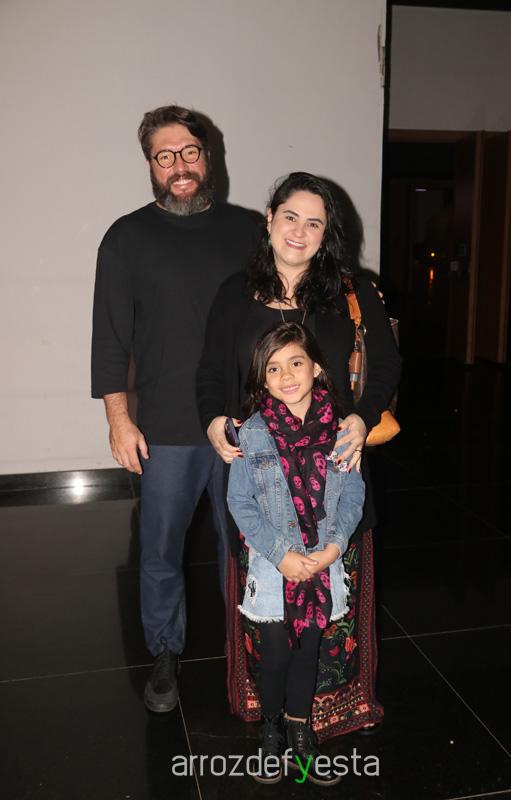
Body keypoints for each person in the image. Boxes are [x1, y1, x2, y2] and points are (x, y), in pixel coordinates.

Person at [197, 171, 401, 739]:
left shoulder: (351, 292)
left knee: (333, 603)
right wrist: (213, 420)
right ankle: (268, 713)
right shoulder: (235, 293)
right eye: (290, 216)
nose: (300, 231)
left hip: (335, 472)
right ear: (270, 220)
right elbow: (211, 370)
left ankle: (324, 714)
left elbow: (386, 365)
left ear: (326, 233)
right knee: (268, 602)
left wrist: (361, 417)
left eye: (315, 223)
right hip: (260, 475)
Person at [91, 105, 258, 713]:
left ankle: (249, 647)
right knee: (160, 550)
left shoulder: (251, 231)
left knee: (245, 546)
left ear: (207, 157)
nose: (179, 165)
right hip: (164, 425)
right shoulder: (126, 238)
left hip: (246, 424)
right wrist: (118, 419)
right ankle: (164, 650)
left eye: (189, 152)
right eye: (166, 156)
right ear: (150, 165)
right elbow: (110, 337)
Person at [227, 323, 365, 785]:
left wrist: (333, 548)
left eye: (296, 363)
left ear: (317, 368)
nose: (286, 376)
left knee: (308, 652)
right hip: (274, 563)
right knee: (276, 655)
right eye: (273, 368)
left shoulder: (342, 432)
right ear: (262, 379)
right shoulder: (252, 434)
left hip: (323, 558)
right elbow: (240, 502)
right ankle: (270, 729)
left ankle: (299, 732)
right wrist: (282, 555)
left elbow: (353, 495)